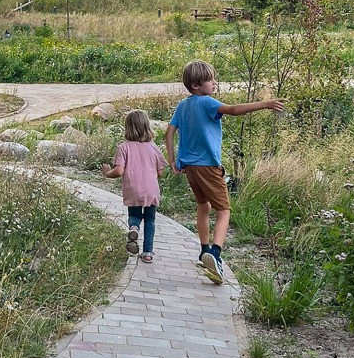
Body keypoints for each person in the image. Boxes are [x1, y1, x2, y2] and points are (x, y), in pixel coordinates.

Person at [165, 60, 284, 285]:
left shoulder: (183, 106)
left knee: (203, 206)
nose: (214, 83)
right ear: (196, 85)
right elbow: (233, 110)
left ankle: (204, 251)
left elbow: (169, 131)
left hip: (190, 167)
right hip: (209, 167)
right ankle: (216, 253)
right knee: (224, 210)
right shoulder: (207, 102)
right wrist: (265, 104)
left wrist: (172, 160)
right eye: (210, 80)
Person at [102, 109, 168, 263]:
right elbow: (161, 172)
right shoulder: (154, 148)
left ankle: (133, 228)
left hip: (133, 189)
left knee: (134, 216)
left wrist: (107, 173)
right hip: (151, 190)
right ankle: (147, 253)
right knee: (150, 220)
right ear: (147, 127)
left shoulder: (123, 147)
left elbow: (119, 171)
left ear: (127, 128)